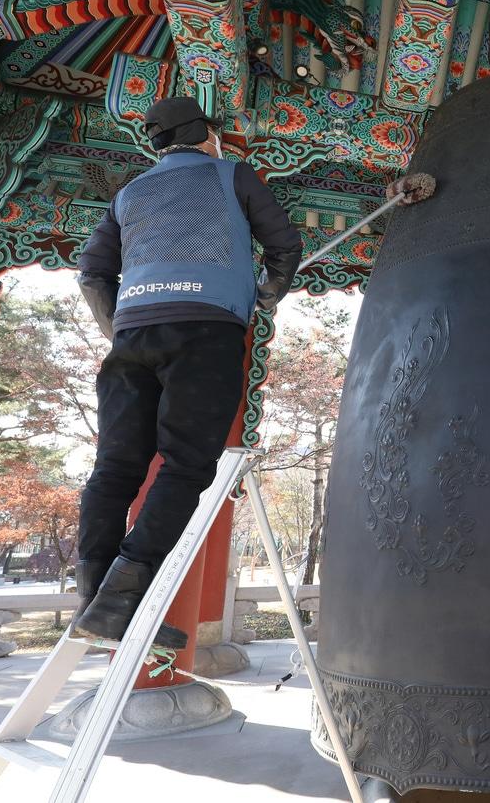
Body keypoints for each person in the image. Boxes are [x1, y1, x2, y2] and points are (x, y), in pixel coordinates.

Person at [72, 97, 302, 648]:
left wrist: (119, 329)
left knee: (115, 468)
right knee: (186, 465)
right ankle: (124, 595)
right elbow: (284, 244)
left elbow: (91, 272)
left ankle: (95, 597)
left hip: (132, 336)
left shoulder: (130, 193)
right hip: (205, 332)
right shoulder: (233, 175)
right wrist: (266, 293)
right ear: (203, 134)